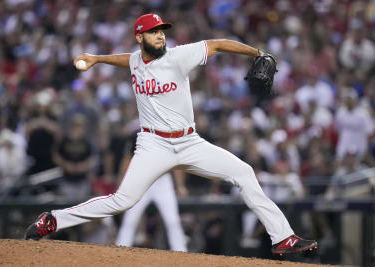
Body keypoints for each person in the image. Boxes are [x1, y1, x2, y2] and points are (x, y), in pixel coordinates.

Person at [25, 13, 317, 255]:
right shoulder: (136, 61)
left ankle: (282, 237)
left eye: (162, 31)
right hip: (153, 144)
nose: (161, 36)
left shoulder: (178, 56)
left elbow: (218, 44)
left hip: (189, 142)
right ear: (140, 38)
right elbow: (127, 59)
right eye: (153, 32)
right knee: (121, 202)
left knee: (243, 172)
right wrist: (99, 59)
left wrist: (256, 53)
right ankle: (52, 220)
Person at [115, 132, 188, 252]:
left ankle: (182, 253)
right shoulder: (136, 135)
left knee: (172, 220)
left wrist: (180, 186)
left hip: (162, 182)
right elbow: (127, 159)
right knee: (130, 220)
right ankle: (119, 252)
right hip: (141, 181)